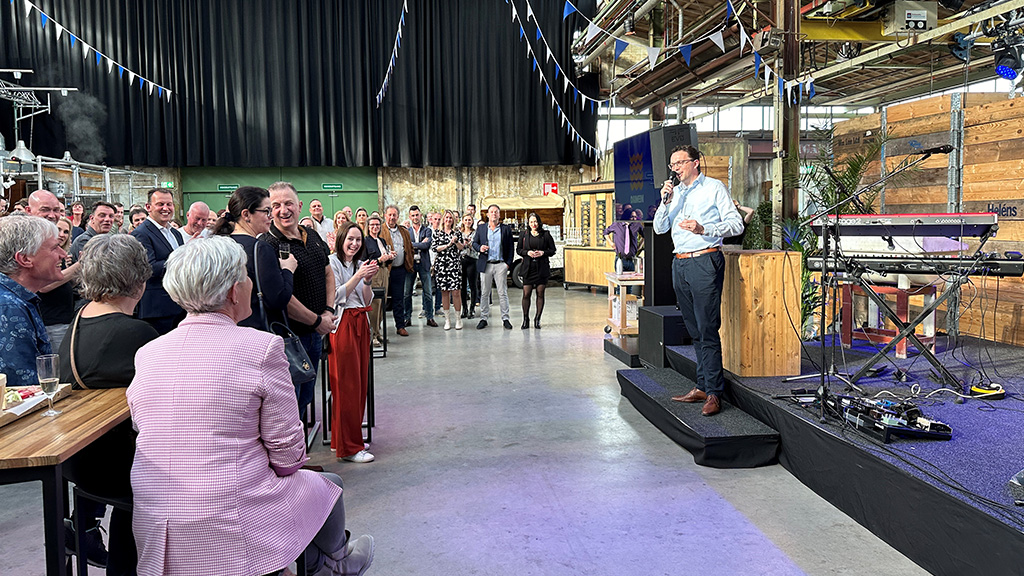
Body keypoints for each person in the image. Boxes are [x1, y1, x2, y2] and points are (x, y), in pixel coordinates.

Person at [128, 237, 374, 576]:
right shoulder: (261, 348)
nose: (251, 283)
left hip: (157, 517)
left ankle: (328, 564)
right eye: (245, 276)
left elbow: (146, 426)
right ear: (233, 291)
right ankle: (336, 563)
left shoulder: (149, 353)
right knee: (328, 484)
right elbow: (289, 457)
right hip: (228, 514)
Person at [60, 234, 159, 575]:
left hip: (81, 458)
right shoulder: (134, 333)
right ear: (139, 279)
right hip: (115, 466)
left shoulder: (81, 317)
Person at [655, 145, 744, 417]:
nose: (676, 168)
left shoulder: (714, 188)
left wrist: (704, 228)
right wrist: (665, 201)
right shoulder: (674, 193)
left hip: (705, 260)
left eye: (680, 163)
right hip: (679, 262)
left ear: (695, 163)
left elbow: (736, 224)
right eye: (673, 164)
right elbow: (660, 228)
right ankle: (702, 385)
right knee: (693, 329)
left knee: (707, 328)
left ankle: (715, 393)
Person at [260, 181, 335, 419]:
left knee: (306, 395)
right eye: (276, 205)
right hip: (290, 338)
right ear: (269, 211)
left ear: (299, 205)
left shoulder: (311, 235)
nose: (283, 210)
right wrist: (316, 320)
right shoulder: (268, 245)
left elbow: (328, 273)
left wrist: (328, 310)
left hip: (316, 331)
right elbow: (283, 297)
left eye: (288, 203)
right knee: (290, 400)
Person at [211, 185, 297, 330]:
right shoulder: (261, 249)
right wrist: (288, 270)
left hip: (226, 326)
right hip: (256, 328)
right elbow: (278, 299)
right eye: (266, 211)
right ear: (246, 215)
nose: (271, 216)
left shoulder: (219, 244)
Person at [328, 222, 377, 463]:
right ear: (341, 239)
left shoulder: (359, 264)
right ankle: (349, 447)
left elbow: (367, 298)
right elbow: (336, 295)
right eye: (350, 239)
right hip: (342, 323)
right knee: (346, 386)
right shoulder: (332, 262)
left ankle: (346, 438)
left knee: (358, 384)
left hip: (360, 321)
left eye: (358, 240)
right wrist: (359, 276)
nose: (354, 244)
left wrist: (366, 281)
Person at [0, 215, 66, 386]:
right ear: (25, 259)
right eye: (55, 248)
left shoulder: (15, 300)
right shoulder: (9, 307)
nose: (63, 254)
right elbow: (23, 390)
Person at [26, 190, 82, 348]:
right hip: (49, 323)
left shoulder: (60, 251)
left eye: (56, 210)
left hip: (64, 319)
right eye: (45, 210)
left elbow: (64, 282)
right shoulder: (30, 242)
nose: (52, 215)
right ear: (29, 211)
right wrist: (80, 265)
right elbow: (44, 285)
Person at [131, 189, 185, 335]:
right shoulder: (141, 233)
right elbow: (149, 268)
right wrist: (183, 260)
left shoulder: (175, 233)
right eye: (160, 204)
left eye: (169, 204)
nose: (166, 208)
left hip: (178, 304)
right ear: (148, 207)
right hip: (157, 308)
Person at [472, 204, 514, 330]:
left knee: (502, 293)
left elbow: (511, 248)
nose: (494, 214)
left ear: (499, 215)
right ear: (488, 215)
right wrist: (479, 248)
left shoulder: (505, 229)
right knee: (484, 293)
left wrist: (507, 264)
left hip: (500, 264)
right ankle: (484, 318)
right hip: (486, 264)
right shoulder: (481, 228)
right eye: (492, 212)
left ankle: (505, 318)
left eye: (496, 212)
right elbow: (474, 243)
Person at [517, 212, 556, 329]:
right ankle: (525, 319)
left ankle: (537, 319)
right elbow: (518, 250)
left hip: (542, 267)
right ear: (528, 224)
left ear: (539, 222)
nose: (533, 224)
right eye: (531, 222)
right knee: (526, 294)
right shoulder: (524, 235)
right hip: (528, 268)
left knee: (540, 293)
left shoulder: (546, 234)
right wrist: (527, 253)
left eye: (535, 221)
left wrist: (543, 253)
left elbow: (552, 250)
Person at [363, 215, 395, 347]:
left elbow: (386, 258)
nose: (375, 227)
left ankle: (378, 332)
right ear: (368, 227)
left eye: (377, 225)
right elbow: (364, 261)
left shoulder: (381, 240)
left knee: (383, 303)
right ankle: (372, 335)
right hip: (374, 273)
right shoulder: (365, 241)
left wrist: (390, 256)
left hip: (384, 272)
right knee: (374, 304)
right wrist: (379, 260)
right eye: (372, 225)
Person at [430, 210, 464, 330]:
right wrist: (448, 245)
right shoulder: (437, 233)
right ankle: (447, 319)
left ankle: (458, 319)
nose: (448, 220)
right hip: (442, 265)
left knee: (456, 292)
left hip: (454, 264)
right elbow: (435, 248)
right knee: (444, 292)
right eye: (447, 218)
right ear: (443, 219)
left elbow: (461, 247)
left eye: (450, 218)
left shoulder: (457, 233)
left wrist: (456, 242)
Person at [383, 205, 414, 337]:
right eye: (389, 214)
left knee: (398, 299)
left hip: (399, 269)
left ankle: (400, 326)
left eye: (394, 215)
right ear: (385, 216)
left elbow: (410, 248)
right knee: (380, 300)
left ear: (398, 217)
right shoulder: (380, 230)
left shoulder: (404, 231)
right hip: (383, 270)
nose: (392, 217)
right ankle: (378, 329)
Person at [404, 205, 436, 327]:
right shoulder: (407, 231)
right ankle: (407, 317)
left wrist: (413, 245)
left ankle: (430, 317)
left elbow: (426, 246)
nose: (415, 217)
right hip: (410, 264)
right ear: (409, 217)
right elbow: (406, 246)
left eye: (417, 215)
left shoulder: (427, 230)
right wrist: (418, 244)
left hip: (424, 264)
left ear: (420, 215)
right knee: (407, 293)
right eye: (413, 215)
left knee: (427, 292)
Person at [604, 218, 644, 295]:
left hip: (631, 260)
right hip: (620, 259)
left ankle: (627, 304)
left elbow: (645, 235)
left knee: (630, 286)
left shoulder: (637, 225)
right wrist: (611, 243)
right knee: (620, 285)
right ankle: (620, 305)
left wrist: (639, 246)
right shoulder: (616, 224)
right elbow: (605, 233)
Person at [459, 213, 480, 319]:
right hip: (461, 260)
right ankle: (464, 309)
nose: (467, 222)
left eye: (469, 220)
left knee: (473, 285)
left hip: (472, 259)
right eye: (466, 220)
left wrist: (471, 244)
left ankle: (472, 309)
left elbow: (477, 246)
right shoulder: (459, 232)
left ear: (472, 222)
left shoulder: (476, 233)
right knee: (462, 286)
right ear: (463, 221)